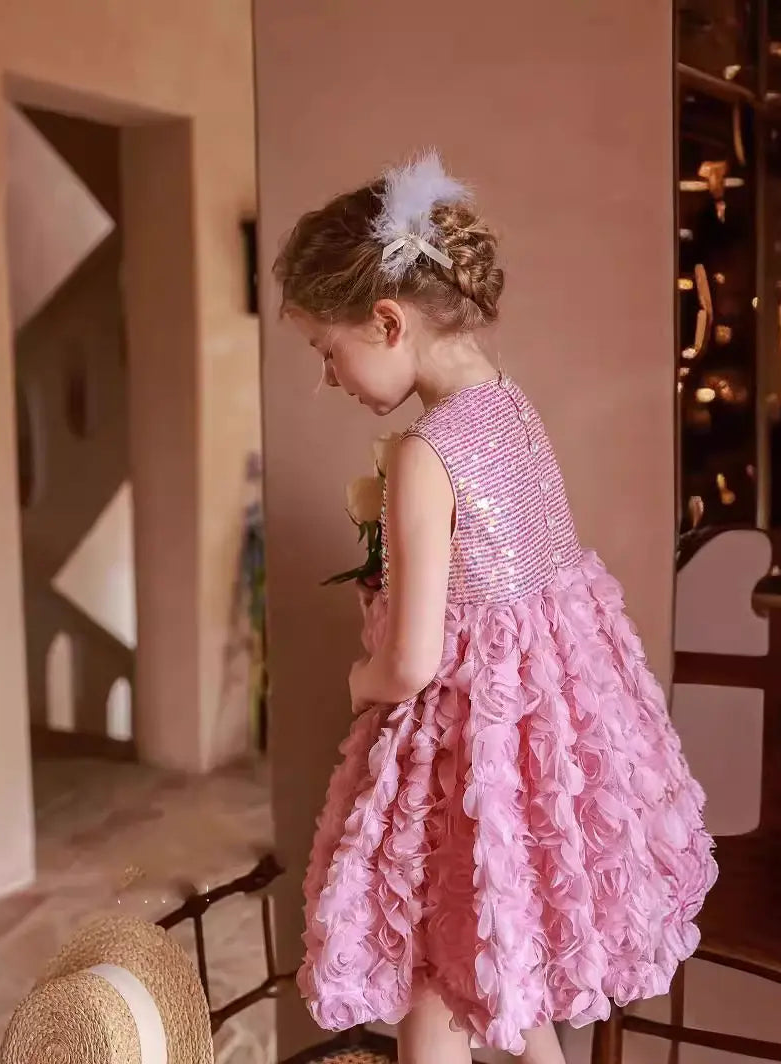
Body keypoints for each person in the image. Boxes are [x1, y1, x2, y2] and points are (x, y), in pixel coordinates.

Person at [272, 153, 717, 1064]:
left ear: (387, 321)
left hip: (463, 767)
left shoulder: (424, 453)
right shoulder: (511, 409)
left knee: (440, 983)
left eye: (329, 352)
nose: (332, 378)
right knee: (491, 990)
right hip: (534, 756)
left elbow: (411, 661)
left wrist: (363, 675)